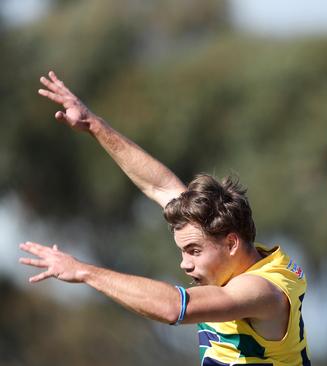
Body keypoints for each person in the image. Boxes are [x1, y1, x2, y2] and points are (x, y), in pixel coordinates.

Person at [20, 71, 311, 366]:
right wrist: (93, 124)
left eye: (194, 251)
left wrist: (83, 272)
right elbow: (159, 185)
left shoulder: (262, 290)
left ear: (232, 242)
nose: (185, 263)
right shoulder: (226, 250)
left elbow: (175, 307)